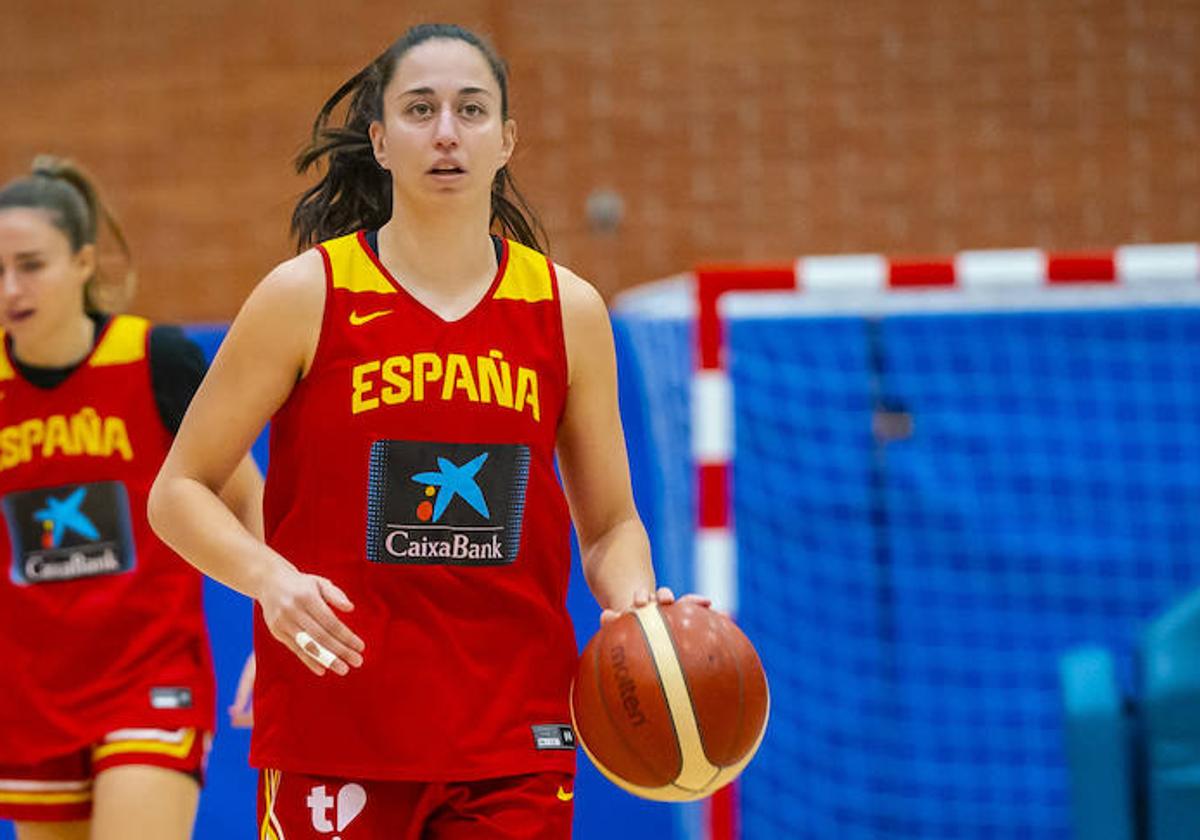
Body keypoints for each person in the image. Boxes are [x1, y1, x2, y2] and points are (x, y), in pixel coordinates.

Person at [148, 23, 705, 839]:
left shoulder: (566, 311)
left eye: (472, 110)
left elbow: (612, 524)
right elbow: (179, 490)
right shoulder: (306, 295)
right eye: (420, 109)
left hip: (513, 737)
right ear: (379, 140)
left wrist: (633, 603)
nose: (447, 131)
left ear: (506, 138)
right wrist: (269, 581)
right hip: (336, 726)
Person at [0, 156, 264, 840]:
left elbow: (248, 499)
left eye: (30, 265)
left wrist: (275, 629)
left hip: (150, 679)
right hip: (32, 692)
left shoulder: (156, 360)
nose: (10, 288)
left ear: (85, 262)